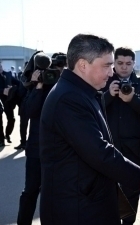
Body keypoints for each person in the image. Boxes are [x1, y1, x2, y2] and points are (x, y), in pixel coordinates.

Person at [39, 34, 140, 225]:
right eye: (107, 65)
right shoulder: (69, 98)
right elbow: (98, 151)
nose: (112, 73)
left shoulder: (80, 92)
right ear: (83, 65)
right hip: (77, 210)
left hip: (87, 202)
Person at [101, 47, 140, 225]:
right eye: (120, 63)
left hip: (134, 148)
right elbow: (92, 106)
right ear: (114, 63)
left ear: (134, 64)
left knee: (132, 190)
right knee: (106, 190)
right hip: (108, 147)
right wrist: (109, 94)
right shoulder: (103, 83)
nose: (124, 67)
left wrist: (132, 99)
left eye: (128, 63)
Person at [17, 53, 65, 225]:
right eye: (55, 68)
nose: (56, 73)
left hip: (59, 151)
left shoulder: (66, 88)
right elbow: (27, 112)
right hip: (36, 150)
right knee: (30, 191)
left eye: (61, 69)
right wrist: (37, 86)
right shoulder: (36, 86)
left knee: (54, 195)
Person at [0, 61, 20, 144]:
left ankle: (7, 134)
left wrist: (13, 88)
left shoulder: (8, 74)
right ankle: (1, 140)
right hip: (0, 100)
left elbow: (17, 83)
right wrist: (2, 91)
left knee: (11, 119)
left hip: (8, 101)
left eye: (0, 66)